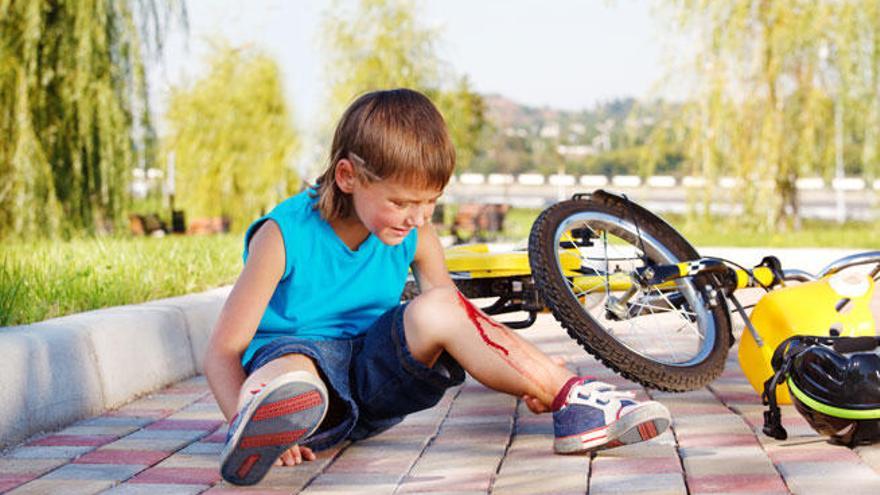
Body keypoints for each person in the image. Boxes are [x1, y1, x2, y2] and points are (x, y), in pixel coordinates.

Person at [203, 88, 671, 486]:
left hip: (373, 375)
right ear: (347, 176)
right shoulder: (283, 236)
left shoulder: (415, 234)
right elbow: (223, 352)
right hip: (307, 379)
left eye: (430, 201)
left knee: (441, 304)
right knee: (292, 369)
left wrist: (528, 373)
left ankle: (572, 398)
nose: (419, 217)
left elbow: (459, 323)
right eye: (402, 201)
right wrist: (234, 422)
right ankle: (263, 420)